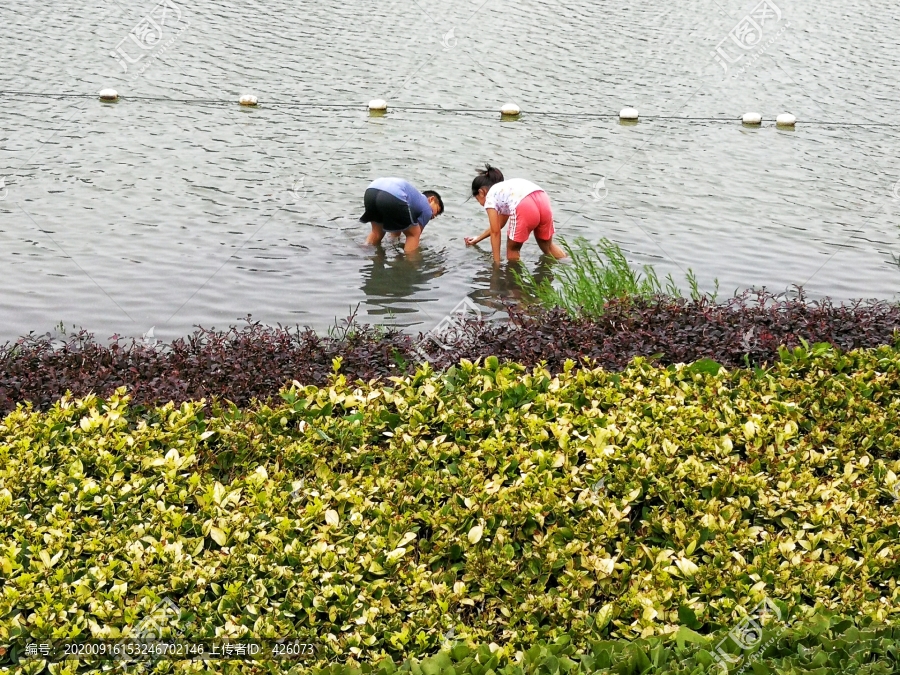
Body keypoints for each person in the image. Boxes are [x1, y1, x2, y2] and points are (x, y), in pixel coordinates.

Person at [464, 165, 566, 264]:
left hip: (524, 205)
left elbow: (495, 233)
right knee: (547, 246)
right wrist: (477, 239)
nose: (481, 204)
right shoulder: (505, 190)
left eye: (478, 199)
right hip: (543, 199)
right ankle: (569, 263)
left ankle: (514, 280)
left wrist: (496, 263)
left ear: (481, 192)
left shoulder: (490, 196)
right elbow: (499, 225)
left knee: (513, 249)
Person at [360, 177, 443, 254]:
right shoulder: (426, 207)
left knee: (377, 232)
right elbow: (415, 234)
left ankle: (363, 252)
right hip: (393, 194)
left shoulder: (411, 201)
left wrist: (395, 241)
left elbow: (398, 227)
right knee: (414, 234)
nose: (434, 215)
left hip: (372, 189)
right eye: (437, 210)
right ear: (431, 199)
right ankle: (409, 265)